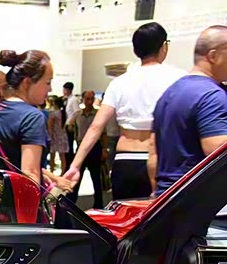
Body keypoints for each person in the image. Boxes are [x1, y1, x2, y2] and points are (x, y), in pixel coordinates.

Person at [63, 23, 184, 200]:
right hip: (163, 159)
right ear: (164, 46)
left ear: (135, 50)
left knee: (125, 215)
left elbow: (96, 127)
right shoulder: (179, 78)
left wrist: (75, 165)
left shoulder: (119, 83)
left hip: (125, 159)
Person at [151, 26, 227, 195]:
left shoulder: (169, 93)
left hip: (168, 195)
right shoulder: (212, 95)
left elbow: (153, 152)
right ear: (213, 56)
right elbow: (217, 150)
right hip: (200, 198)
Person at [0, 50, 72, 192]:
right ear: (27, 82)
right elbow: (30, 174)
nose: (50, 89)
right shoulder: (32, 117)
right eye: (47, 82)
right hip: (20, 200)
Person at [68, 91, 105, 208]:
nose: (89, 101)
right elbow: (72, 128)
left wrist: (104, 149)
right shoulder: (78, 115)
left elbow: (104, 133)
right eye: (87, 99)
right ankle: (71, 203)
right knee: (77, 176)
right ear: (83, 99)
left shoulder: (98, 114)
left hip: (95, 148)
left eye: (91, 99)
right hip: (81, 147)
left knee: (96, 178)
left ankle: (99, 204)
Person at [47, 96, 69, 173]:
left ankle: (51, 171)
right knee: (62, 157)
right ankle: (63, 172)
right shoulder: (64, 113)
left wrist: (49, 136)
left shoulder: (53, 113)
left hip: (54, 136)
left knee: (52, 156)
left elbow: (50, 126)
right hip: (63, 136)